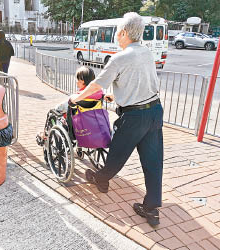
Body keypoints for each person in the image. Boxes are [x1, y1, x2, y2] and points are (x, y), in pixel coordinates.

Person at [70, 12, 164, 227]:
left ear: (122, 33)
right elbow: (140, 80)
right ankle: (151, 208)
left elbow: (96, 84)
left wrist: (77, 98)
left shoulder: (120, 57)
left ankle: (101, 178)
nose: (116, 36)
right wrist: (118, 95)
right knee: (153, 161)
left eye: (117, 33)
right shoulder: (147, 53)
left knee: (117, 155)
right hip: (155, 111)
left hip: (134, 116)